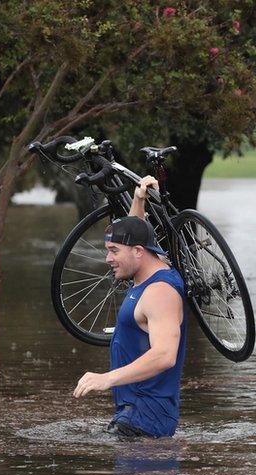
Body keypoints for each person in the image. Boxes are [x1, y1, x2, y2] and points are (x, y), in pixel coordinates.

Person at [73, 176, 187, 437]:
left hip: (145, 421)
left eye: (113, 251)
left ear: (138, 252)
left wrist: (107, 378)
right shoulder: (150, 266)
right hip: (135, 414)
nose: (107, 258)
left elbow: (165, 355)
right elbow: (136, 233)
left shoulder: (160, 293)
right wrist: (139, 200)